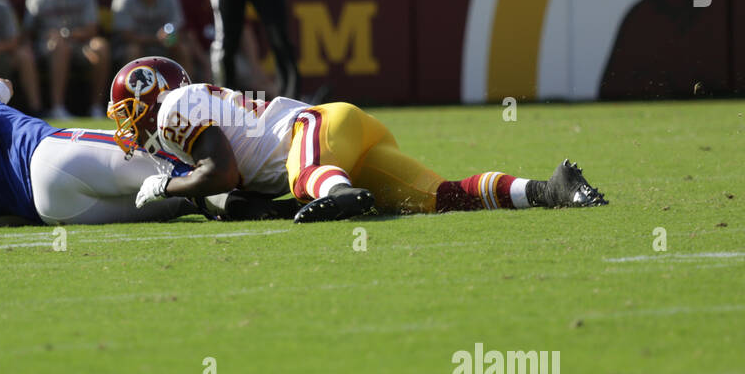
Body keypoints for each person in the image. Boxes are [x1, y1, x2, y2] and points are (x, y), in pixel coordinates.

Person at [107, 56, 607, 225]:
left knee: (310, 183)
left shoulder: (175, 106)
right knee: (442, 198)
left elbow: (223, 173)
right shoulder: (198, 110)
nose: (131, 127)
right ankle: (550, 189)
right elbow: (240, 193)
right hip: (344, 136)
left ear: (153, 96)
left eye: (129, 113)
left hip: (317, 128)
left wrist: (168, 188)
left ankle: (338, 194)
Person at [0, 78, 202, 227]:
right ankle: (239, 174)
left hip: (51, 210)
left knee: (181, 205)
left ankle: (226, 202)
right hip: (50, 153)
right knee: (177, 174)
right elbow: (4, 85)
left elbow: (8, 222)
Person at [23, 0, 111, 120]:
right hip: (47, 46)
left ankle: (96, 107)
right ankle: (58, 107)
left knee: (101, 46)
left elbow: (92, 30)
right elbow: (28, 33)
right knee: (60, 46)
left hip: (80, 43)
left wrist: (67, 34)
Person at [110, 0, 188, 64]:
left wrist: (169, 35)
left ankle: (184, 79)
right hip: (130, 46)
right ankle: (132, 80)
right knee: (133, 50)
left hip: (164, 45)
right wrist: (156, 39)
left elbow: (177, 26)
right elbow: (127, 36)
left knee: (182, 48)